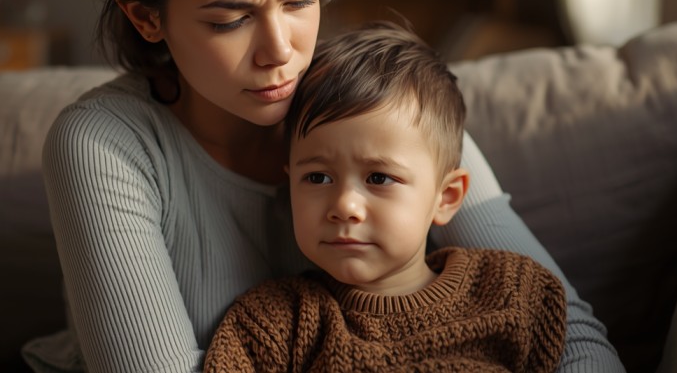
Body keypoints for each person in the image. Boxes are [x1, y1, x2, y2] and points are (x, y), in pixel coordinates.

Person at [22, 0, 626, 372]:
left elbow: (572, 335)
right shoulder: (104, 145)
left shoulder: (388, 104)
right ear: (146, 17)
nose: (281, 51)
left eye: (299, 0)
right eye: (231, 19)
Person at [203, 21, 568, 372]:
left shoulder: (513, 291)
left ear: (446, 197)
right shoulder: (273, 325)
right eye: (317, 177)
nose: (344, 206)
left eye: (378, 177)